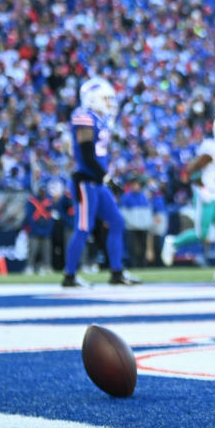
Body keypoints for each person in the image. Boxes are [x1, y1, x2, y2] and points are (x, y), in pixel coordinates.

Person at [63, 78, 139, 287]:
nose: (109, 102)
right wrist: (106, 177)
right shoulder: (84, 117)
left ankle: (117, 272)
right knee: (83, 228)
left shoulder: (100, 118)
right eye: (106, 98)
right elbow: (87, 154)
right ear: (92, 98)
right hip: (87, 181)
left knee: (116, 221)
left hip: (97, 181)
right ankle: (69, 276)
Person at [160, 113, 215, 279]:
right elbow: (191, 170)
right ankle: (173, 242)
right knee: (202, 234)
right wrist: (201, 187)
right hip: (207, 194)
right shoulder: (210, 148)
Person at [25, 185, 55, 275]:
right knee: (32, 250)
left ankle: (47, 266)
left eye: (44, 191)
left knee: (46, 251)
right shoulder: (32, 201)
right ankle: (29, 267)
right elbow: (29, 216)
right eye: (41, 191)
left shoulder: (48, 202)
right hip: (34, 231)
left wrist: (48, 229)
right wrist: (34, 228)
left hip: (46, 231)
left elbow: (51, 217)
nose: (42, 193)